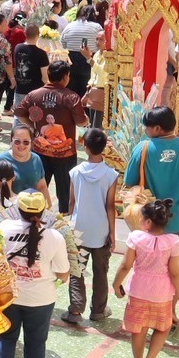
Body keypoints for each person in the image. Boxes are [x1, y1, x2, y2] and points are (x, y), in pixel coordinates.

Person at [0, 192, 69, 358]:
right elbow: (63, 272)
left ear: (19, 209)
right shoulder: (54, 237)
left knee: (5, 339)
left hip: (8, 296)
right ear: (44, 211)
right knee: (36, 341)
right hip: (41, 299)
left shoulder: (4, 228)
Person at [111, 198, 179, 358]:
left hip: (138, 289)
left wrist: (116, 285)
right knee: (162, 327)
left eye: (141, 217)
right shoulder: (173, 242)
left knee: (138, 329)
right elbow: (175, 273)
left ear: (148, 222)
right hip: (162, 292)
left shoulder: (136, 238)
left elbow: (125, 266)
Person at [123, 107, 179, 258]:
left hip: (150, 224)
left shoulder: (142, 148)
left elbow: (129, 182)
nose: (145, 130)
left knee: (149, 269)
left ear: (157, 128)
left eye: (147, 127)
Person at [13, 59, 82, 212]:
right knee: (64, 189)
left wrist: (32, 127)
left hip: (40, 150)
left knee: (37, 185)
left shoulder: (34, 95)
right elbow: (82, 122)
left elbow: (19, 112)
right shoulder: (71, 97)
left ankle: (33, 214)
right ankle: (64, 218)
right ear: (65, 77)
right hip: (64, 153)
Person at [66, 128, 119, 326]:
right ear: (104, 148)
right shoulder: (111, 175)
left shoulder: (75, 172)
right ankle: (98, 310)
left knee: (77, 269)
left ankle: (76, 309)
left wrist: (69, 225)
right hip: (101, 229)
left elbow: (71, 203)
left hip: (79, 227)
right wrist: (112, 233)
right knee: (101, 270)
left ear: (85, 146)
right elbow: (110, 206)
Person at [0, 125, 52, 204]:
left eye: (26, 142)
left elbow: (41, 187)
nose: (21, 145)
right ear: (11, 141)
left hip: (28, 210)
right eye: (17, 141)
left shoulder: (36, 159)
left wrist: (48, 207)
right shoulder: (0, 160)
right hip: (4, 209)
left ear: (31, 143)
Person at [11, 28, 50, 111]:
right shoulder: (41, 53)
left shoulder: (18, 48)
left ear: (25, 34)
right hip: (36, 90)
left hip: (20, 88)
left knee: (19, 115)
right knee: (35, 116)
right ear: (38, 35)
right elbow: (45, 77)